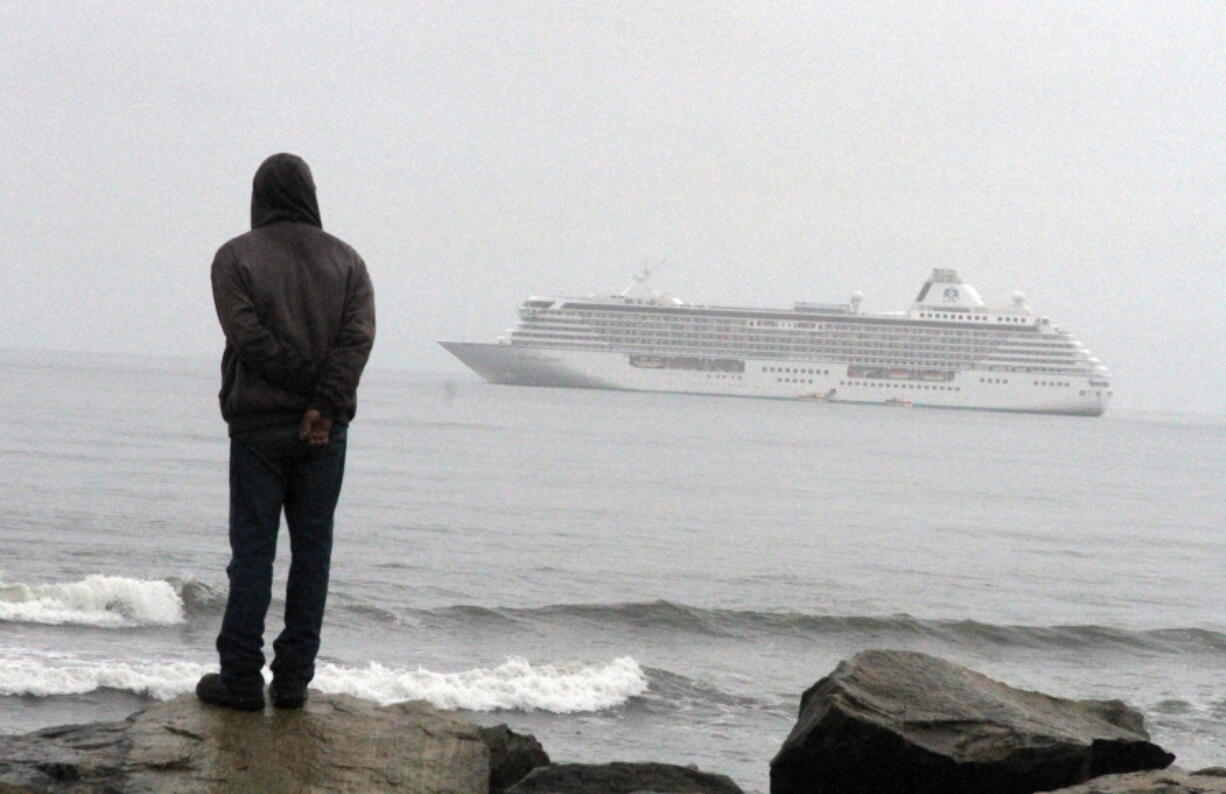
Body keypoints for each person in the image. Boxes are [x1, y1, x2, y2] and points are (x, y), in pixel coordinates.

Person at [197, 153, 375, 711]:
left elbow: (247, 338)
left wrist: (302, 394)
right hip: (326, 431)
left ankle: (242, 680)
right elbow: (356, 342)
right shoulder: (348, 262)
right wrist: (321, 404)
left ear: (259, 196)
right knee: (313, 551)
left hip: (257, 427)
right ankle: (294, 681)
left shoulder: (234, 257)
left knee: (252, 552)